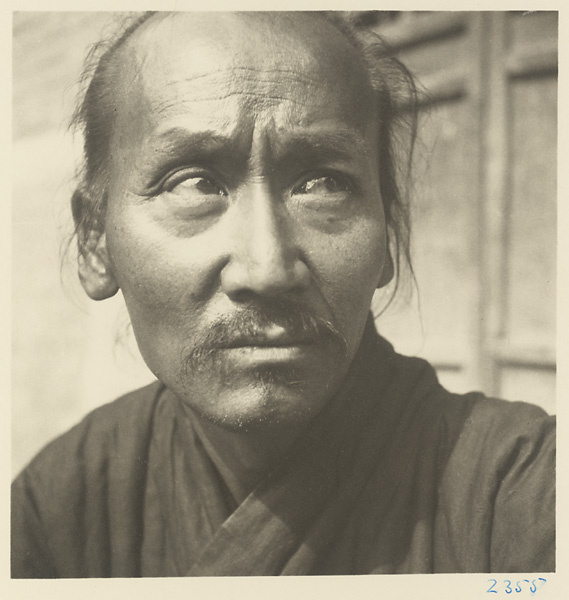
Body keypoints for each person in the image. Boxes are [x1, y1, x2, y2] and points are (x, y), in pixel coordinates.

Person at [11, 11, 555, 577]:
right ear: (96, 242)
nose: (267, 268)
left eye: (322, 182)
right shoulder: (63, 504)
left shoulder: (518, 492)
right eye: (196, 182)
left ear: (387, 235)